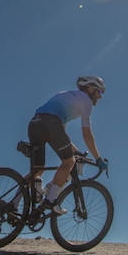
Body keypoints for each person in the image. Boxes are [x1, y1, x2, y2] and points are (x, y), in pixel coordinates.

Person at [28, 76, 108, 215]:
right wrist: (98, 158)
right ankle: (51, 201)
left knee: (37, 170)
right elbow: (87, 134)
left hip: (35, 122)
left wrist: (77, 152)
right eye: (99, 92)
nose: (100, 97)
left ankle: (14, 204)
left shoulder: (66, 96)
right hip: (51, 123)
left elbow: (62, 135)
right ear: (90, 88)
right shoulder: (86, 101)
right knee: (69, 162)